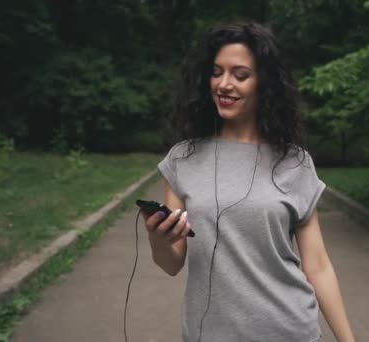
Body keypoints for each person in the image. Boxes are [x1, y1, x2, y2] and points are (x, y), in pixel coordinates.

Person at [144, 21, 356, 342]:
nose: (224, 84)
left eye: (240, 75)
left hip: (290, 331)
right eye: (217, 73)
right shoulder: (182, 160)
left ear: (264, 85)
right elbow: (172, 263)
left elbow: (318, 266)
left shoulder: (294, 162)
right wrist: (158, 239)